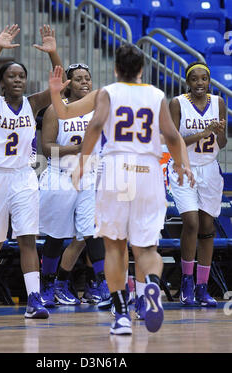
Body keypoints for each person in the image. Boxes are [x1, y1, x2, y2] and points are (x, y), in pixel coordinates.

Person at [49, 44, 192, 335]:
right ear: (142, 69)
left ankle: (122, 315)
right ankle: (150, 288)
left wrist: (82, 162)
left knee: (116, 247)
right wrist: (182, 165)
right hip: (149, 171)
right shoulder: (156, 95)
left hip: (116, 170)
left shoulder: (107, 93)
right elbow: (173, 137)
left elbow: (83, 120)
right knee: (148, 247)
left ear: (116, 68)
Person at [0, 24, 64, 319]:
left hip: (24, 176)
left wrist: (53, 53)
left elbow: (58, 84)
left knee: (27, 237)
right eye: (11, 76)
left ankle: (34, 299)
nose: (17, 80)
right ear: (1, 83)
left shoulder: (33, 103)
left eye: (21, 76)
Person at [39, 63, 110, 308]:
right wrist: (77, 149)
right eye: (79, 79)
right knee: (57, 236)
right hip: (60, 174)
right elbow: (47, 148)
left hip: (89, 175)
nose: (85, 83)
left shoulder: (98, 110)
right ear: (68, 84)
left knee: (92, 231)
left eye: (88, 79)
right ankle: (47, 285)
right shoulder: (55, 110)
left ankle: (102, 284)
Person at [167, 61, 227, 307]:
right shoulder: (177, 103)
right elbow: (172, 140)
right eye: (195, 79)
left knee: (206, 226)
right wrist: (202, 134)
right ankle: (187, 281)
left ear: (209, 81)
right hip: (183, 166)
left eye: (204, 79)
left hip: (210, 170)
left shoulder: (219, 103)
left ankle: (203, 286)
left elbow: (221, 144)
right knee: (190, 222)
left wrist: (218, 131)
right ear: (187, 82)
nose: (200, 83)